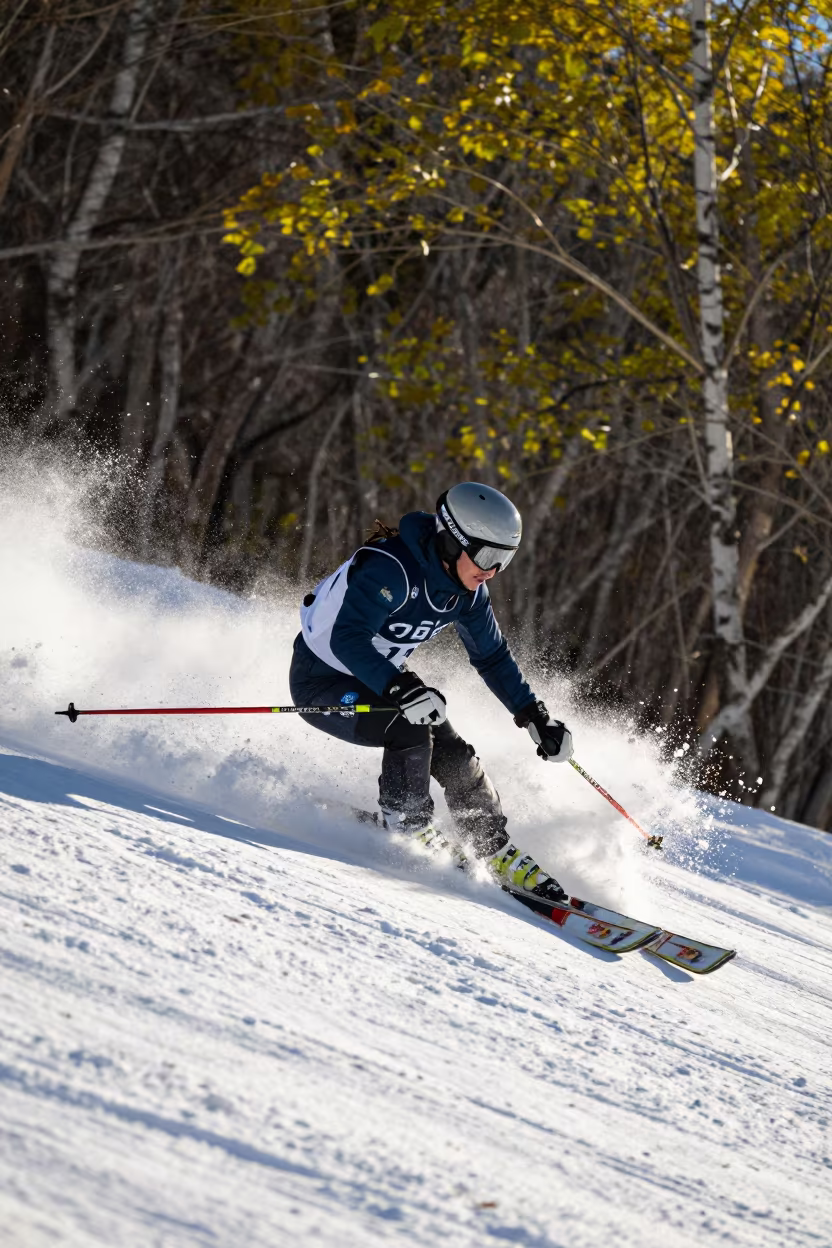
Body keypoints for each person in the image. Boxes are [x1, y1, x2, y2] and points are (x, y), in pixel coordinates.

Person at [289, 482, 574, 903]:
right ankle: (407, 824)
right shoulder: (391, 570)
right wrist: (401, 685)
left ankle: (491, 845)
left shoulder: (469, 594)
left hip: (380, 679)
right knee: (408, 724)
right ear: (451, 541)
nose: (492, 570)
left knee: (451, 747)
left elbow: (492, 656)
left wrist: (533, 713)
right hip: (321, 682)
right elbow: (347, 639)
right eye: (487, 556)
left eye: (504, 560)